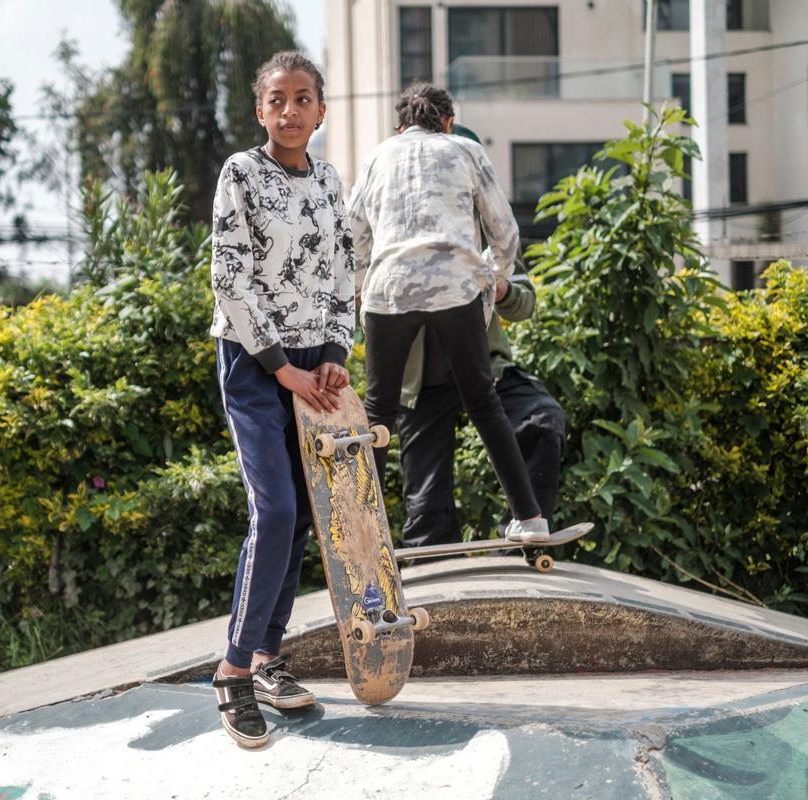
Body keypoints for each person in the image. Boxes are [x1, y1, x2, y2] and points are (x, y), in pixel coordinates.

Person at [208, 51, 354, 748]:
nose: (290, 110)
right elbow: (229, 279)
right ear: (259, 110)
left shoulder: (329, 180)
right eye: (277, 100)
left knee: (302, 519)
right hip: (252, 360)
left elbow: (341, 275)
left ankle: (269, 657)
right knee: (275, 509)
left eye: (303, 99)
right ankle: (233, 671)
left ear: (321, 111)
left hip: (310, 363)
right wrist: (278, 368)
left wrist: (333, 356)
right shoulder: (240, 173)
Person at [349, 82, 560, 546]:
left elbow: (352, 234)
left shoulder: (377, 156)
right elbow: (504, 231)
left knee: (378, 408)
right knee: (483, 402)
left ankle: (361, 530)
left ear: (400, 126)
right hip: (455, 285)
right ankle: (531, 519)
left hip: (390, 290)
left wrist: (364, 290)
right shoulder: (465, 149)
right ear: (447, 122)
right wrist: (490, 276)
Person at [398, 250, 568, 549]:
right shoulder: (391, 219)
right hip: (422, 383)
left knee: (542, 419)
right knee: (427, 516)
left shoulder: (484, 221)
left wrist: (500, 288)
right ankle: (435, 566)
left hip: (488, 368)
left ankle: (520, 541)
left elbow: (524, 303)